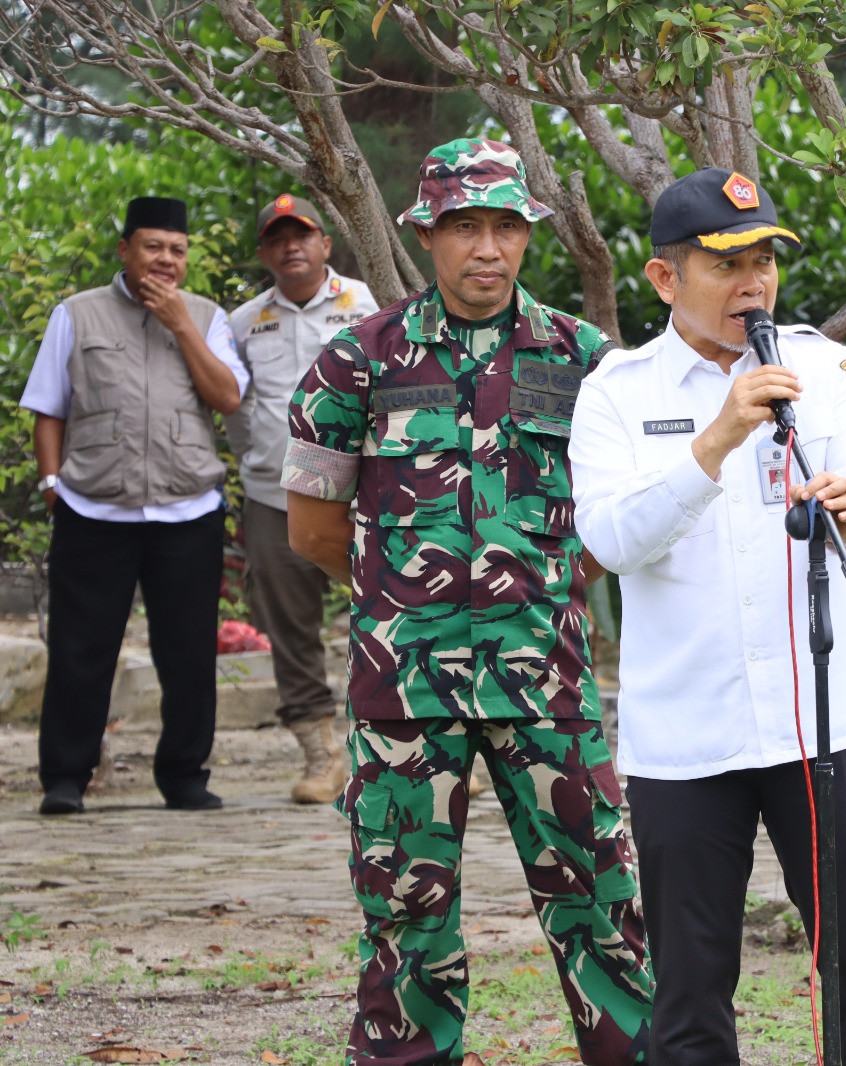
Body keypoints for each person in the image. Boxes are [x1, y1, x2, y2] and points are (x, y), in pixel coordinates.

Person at [282, 138, 652, 1066]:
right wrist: (406, 603)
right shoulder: (356, 358)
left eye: (504, 227)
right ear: (427, 233)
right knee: (404, 910)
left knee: (600, 897)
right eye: (463, 227)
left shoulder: (587, 359)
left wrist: (542, 584)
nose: (486, 248)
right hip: (402, 687)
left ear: (527, 234)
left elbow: (611, 521)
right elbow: (314, 531)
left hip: (547, 682)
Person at [570, 167, 846, 1066]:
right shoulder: (618, 390)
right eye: (726, 262)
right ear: (665, 279)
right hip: (690, 736)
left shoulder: (817, 363)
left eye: (765, 258)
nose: (753, 282)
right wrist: (718, 436)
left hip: (824, 720)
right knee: (691, 996)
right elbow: (611, 538)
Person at [23, 195, 248, 816]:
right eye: (152, 247)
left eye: (177, 250)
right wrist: (51, 485)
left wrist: (181, 324)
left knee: (188, 652)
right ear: (124, 251)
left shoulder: (207, 317)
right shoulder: (77, 314)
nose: (165, 260)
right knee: (79, 649)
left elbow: (227, 396)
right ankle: (66, 777)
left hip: (187, 511)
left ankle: (184, 776)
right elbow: (49, 407)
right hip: (93, 509)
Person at [226, 194, 378, 805]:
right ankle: (321, 754)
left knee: (400, 607)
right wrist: (255, 460)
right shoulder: (243, 321)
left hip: (365, 490)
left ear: (324, 244)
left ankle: (431, 741)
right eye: (277, 238)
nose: (291, 247)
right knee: (290, 627)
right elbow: (238, 408)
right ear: (265, 252)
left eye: (302, 235)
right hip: (275, 493)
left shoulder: (365, 304)